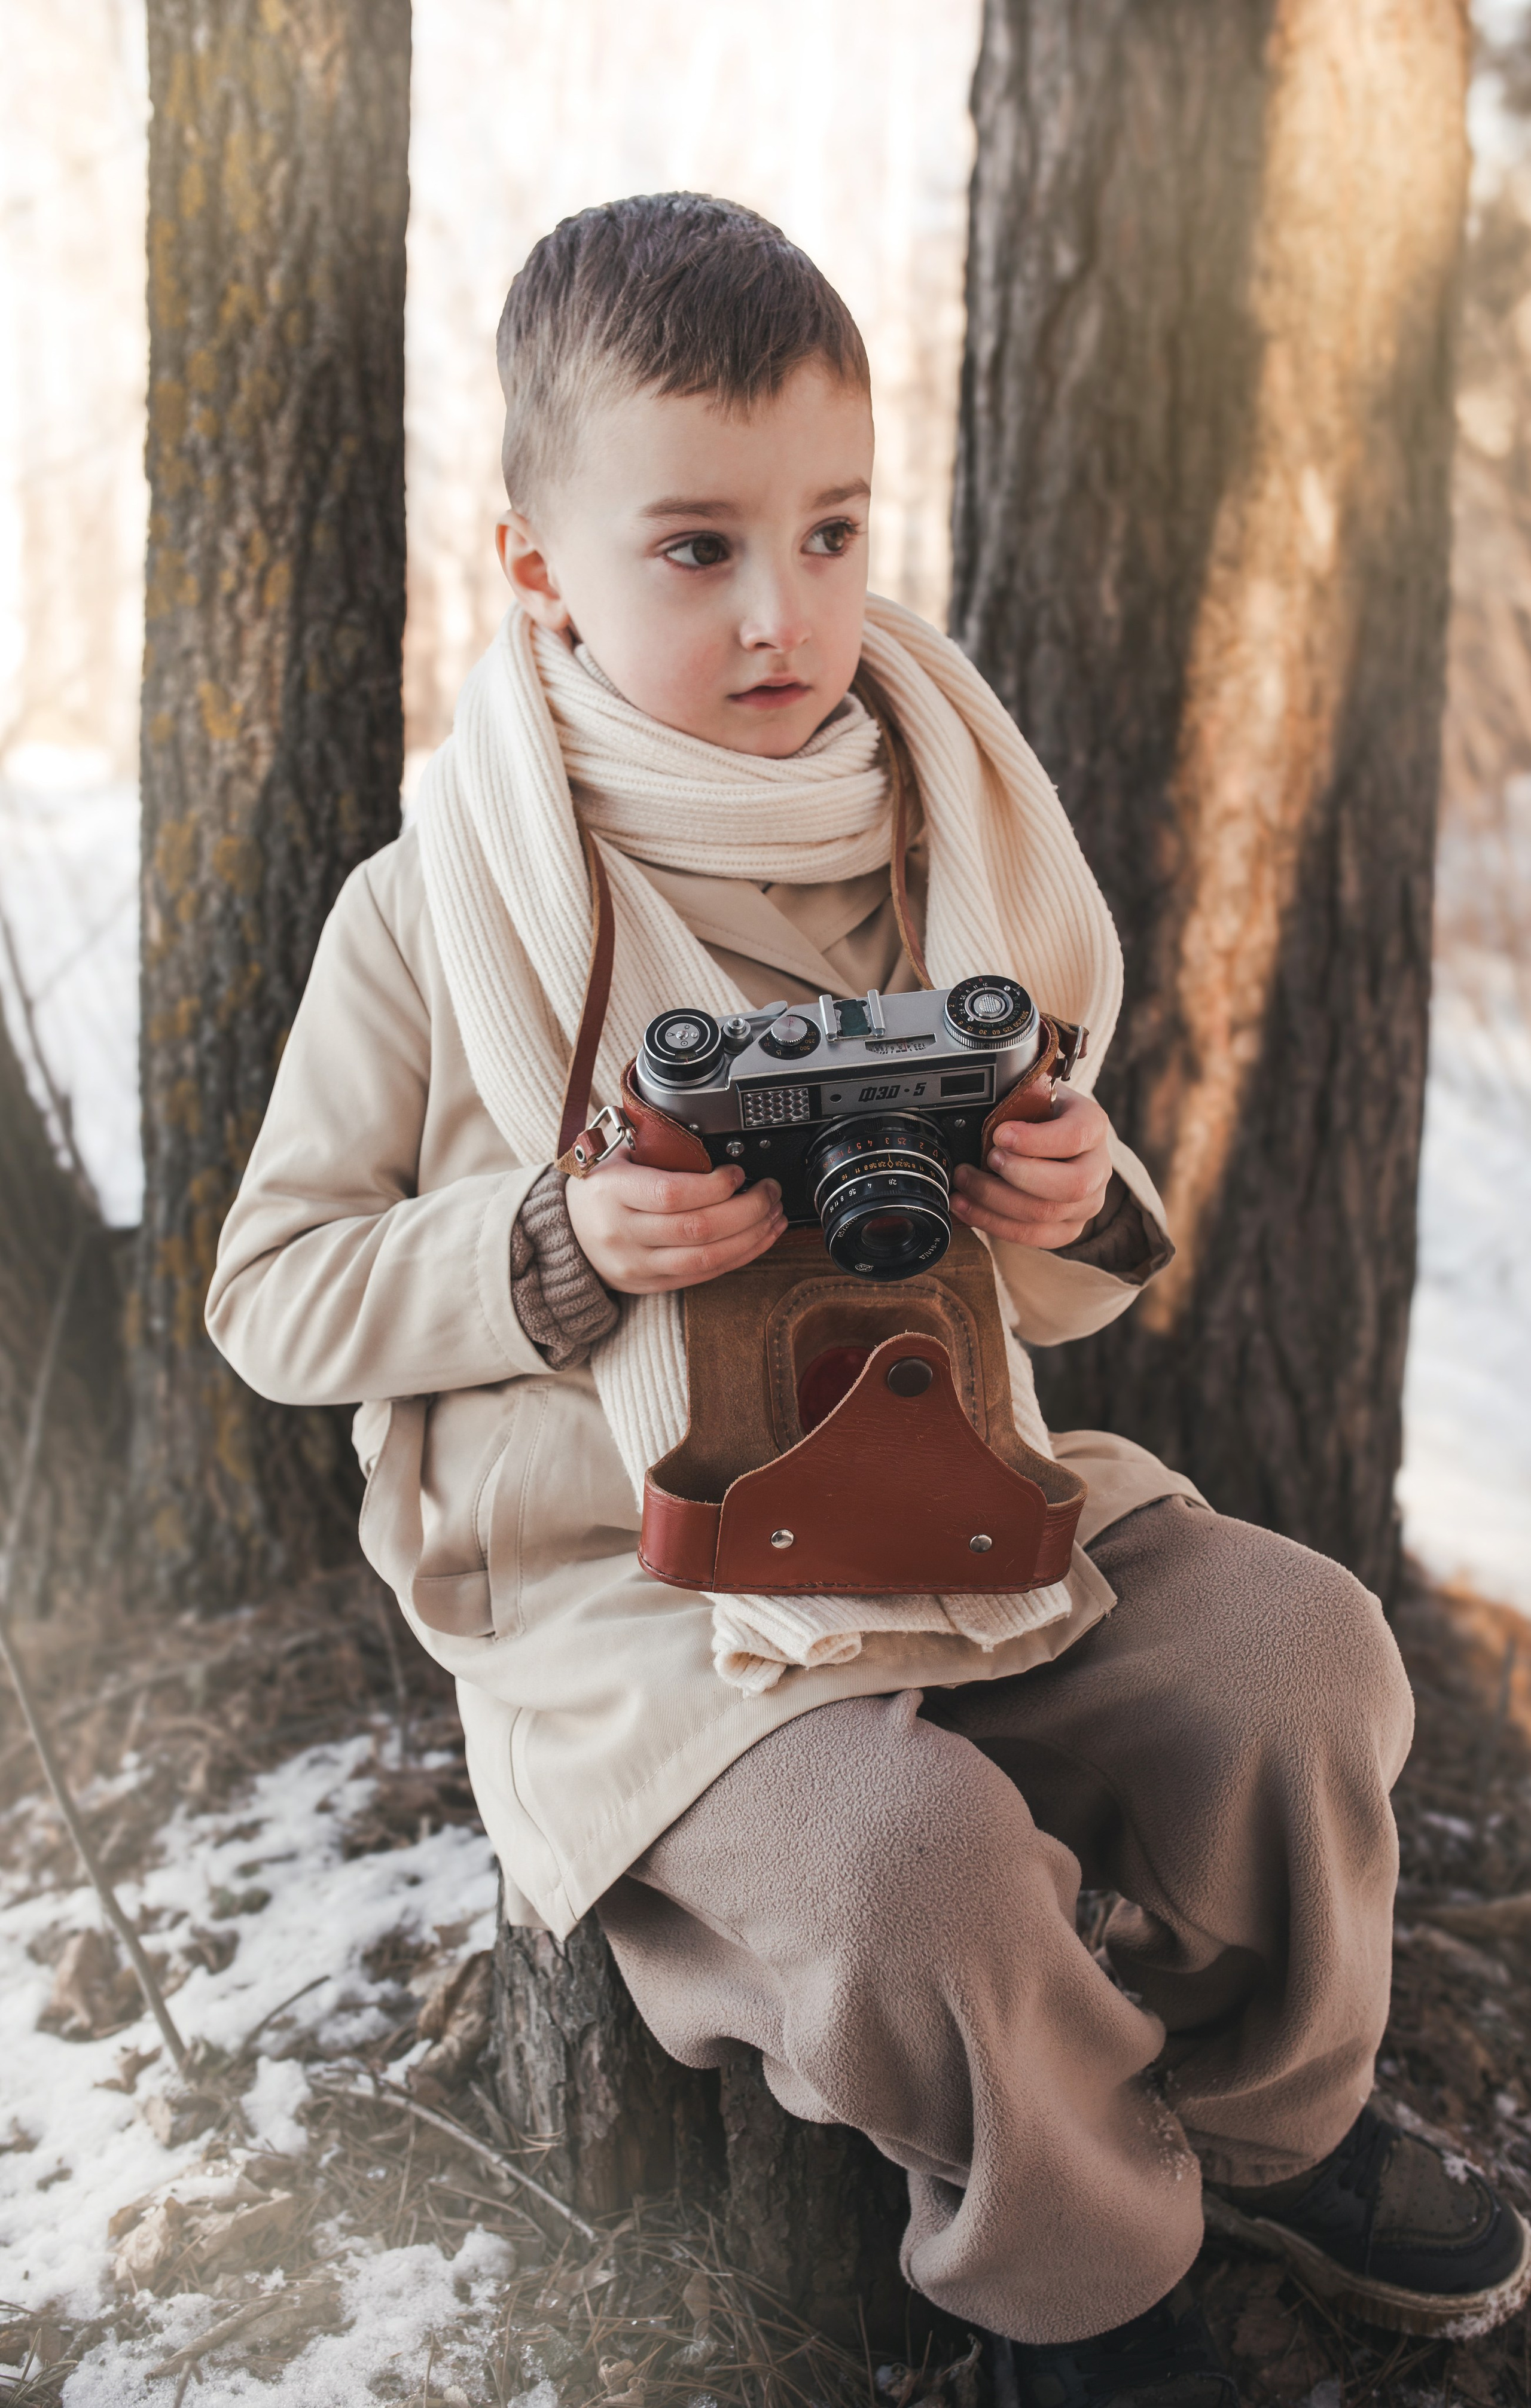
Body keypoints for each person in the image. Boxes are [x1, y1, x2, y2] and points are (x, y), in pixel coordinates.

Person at [206, 193, 1528, 2401]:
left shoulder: (952, 836)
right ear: (537, 563)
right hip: (644, 1594)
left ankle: (1272, 2116)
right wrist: (551, 1250)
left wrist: (1060, 1188)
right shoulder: (430, 907)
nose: (783, 609)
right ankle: (1091, 2270)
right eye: (697, 547)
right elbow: (269, 1290)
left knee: (1304, 1655)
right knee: (914, 1865)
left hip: (974, 1503)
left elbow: (1071, 1296)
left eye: (832, 531)